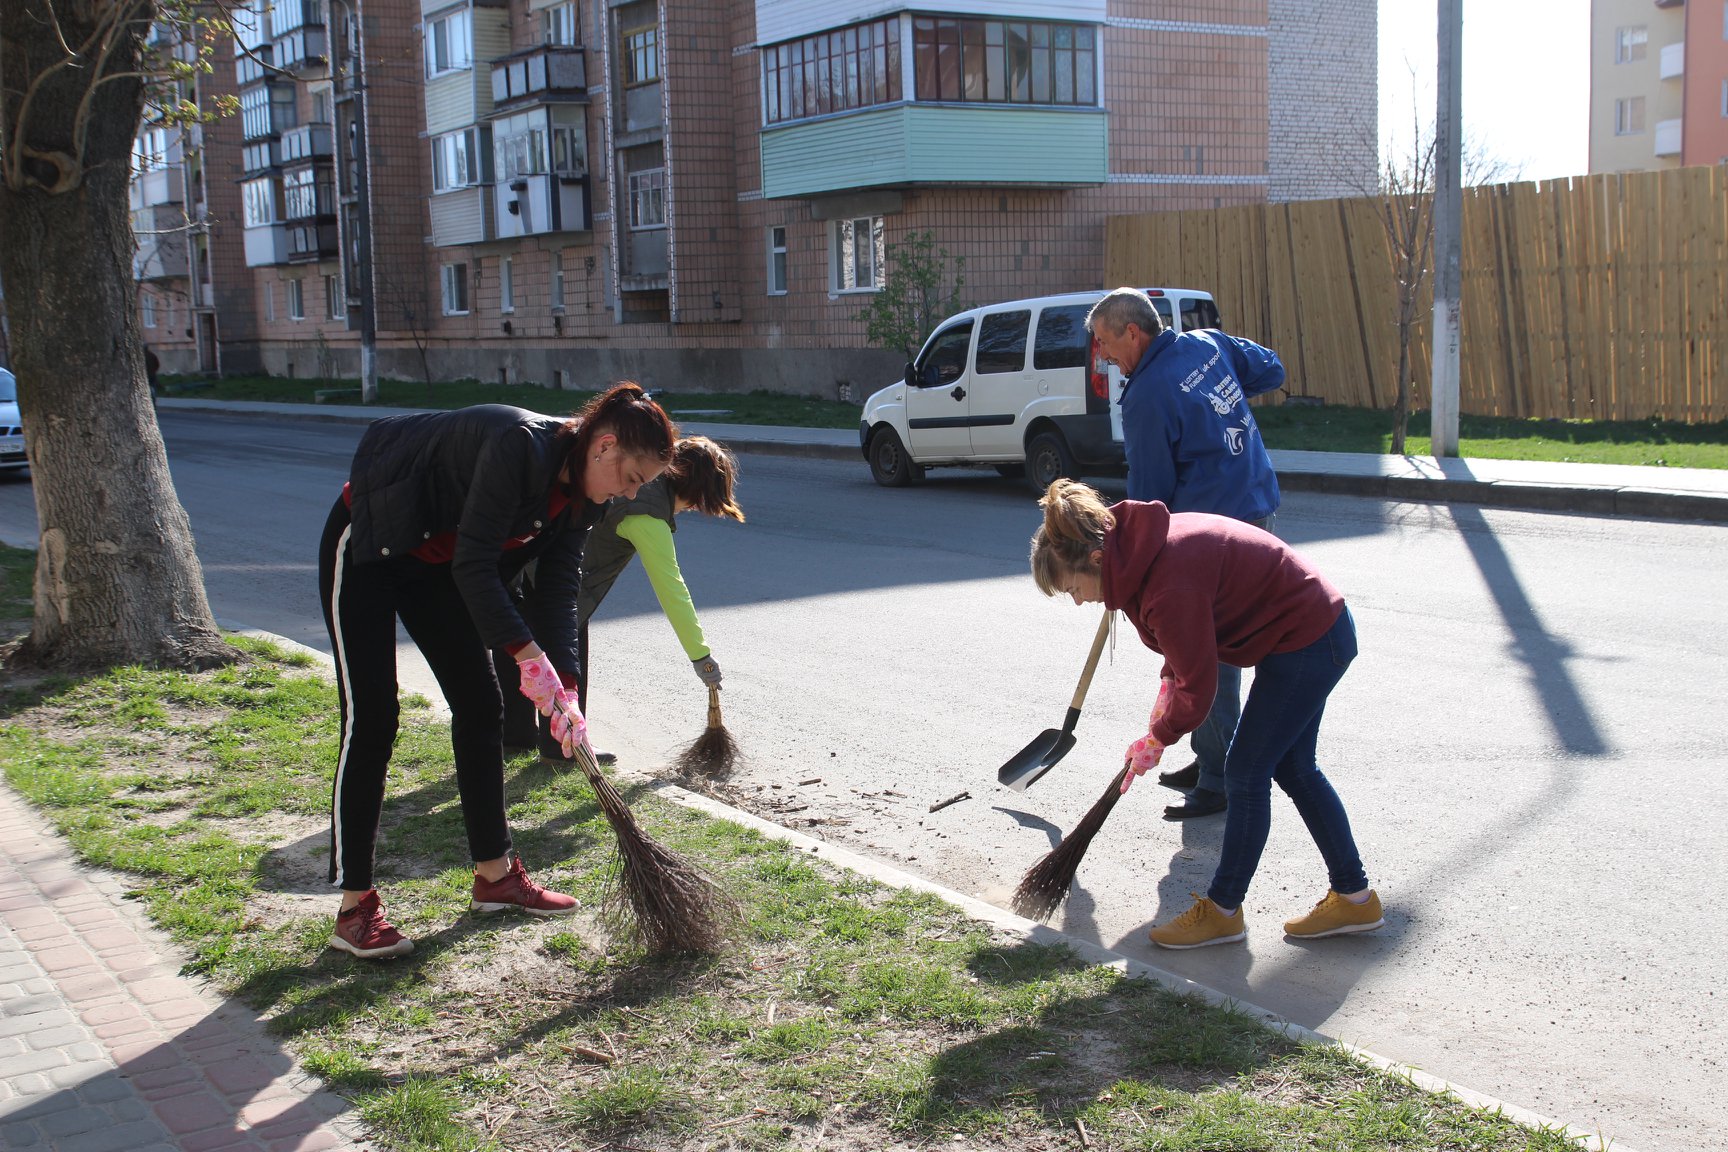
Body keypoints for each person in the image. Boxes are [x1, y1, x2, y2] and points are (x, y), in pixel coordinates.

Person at [318, 383, 678, 959]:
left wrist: (566, 688)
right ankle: (354, 907)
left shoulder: (587, 499)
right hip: (371, 542)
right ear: (604, 446)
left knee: (482, 707)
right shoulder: (519, 447)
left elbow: (558, 590)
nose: (631, 493)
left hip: (438, 565)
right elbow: (477, 565)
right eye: (633, 478)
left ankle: (495, 876)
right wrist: (526, 655)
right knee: (374, 716)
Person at [1030, 478, 1383, 950]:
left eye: (1074, 588)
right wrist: (1166, 690)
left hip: (1310, 640)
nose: (1078, 600)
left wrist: (1160, 734)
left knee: (1246, 772)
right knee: (1293, 767)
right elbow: (1183, 648)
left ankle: (1223, 911)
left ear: (1095, 559)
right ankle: (1355, 898)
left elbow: (1199, 687)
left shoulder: (1165, 580)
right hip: (1307, 633)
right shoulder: (1136, 555)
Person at [1086, 287, 1286, 822]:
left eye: (1105, 342)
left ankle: (1221, 780)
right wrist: (1218, 407)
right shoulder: (1208, 344)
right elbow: (1271, 370)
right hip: (1258, 509)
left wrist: (1127, 564)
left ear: (1133, 332)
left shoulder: (1147, 394)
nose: (1103, 355)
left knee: (1207, 652)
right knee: (1215, 649)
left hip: (1212, 539)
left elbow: (1150, 499)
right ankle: (1210, 757)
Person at [498, 436, 744, 763]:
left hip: (526, 566)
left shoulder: (641, 487)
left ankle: (515, 737)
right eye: (700, 501)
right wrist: (700, 655)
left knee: (518, 648)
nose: (694, 508)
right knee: (565, 658)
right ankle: (562, 749)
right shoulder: (647, 514)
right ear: (696, 488)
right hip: (555, 584)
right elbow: (672, 589)